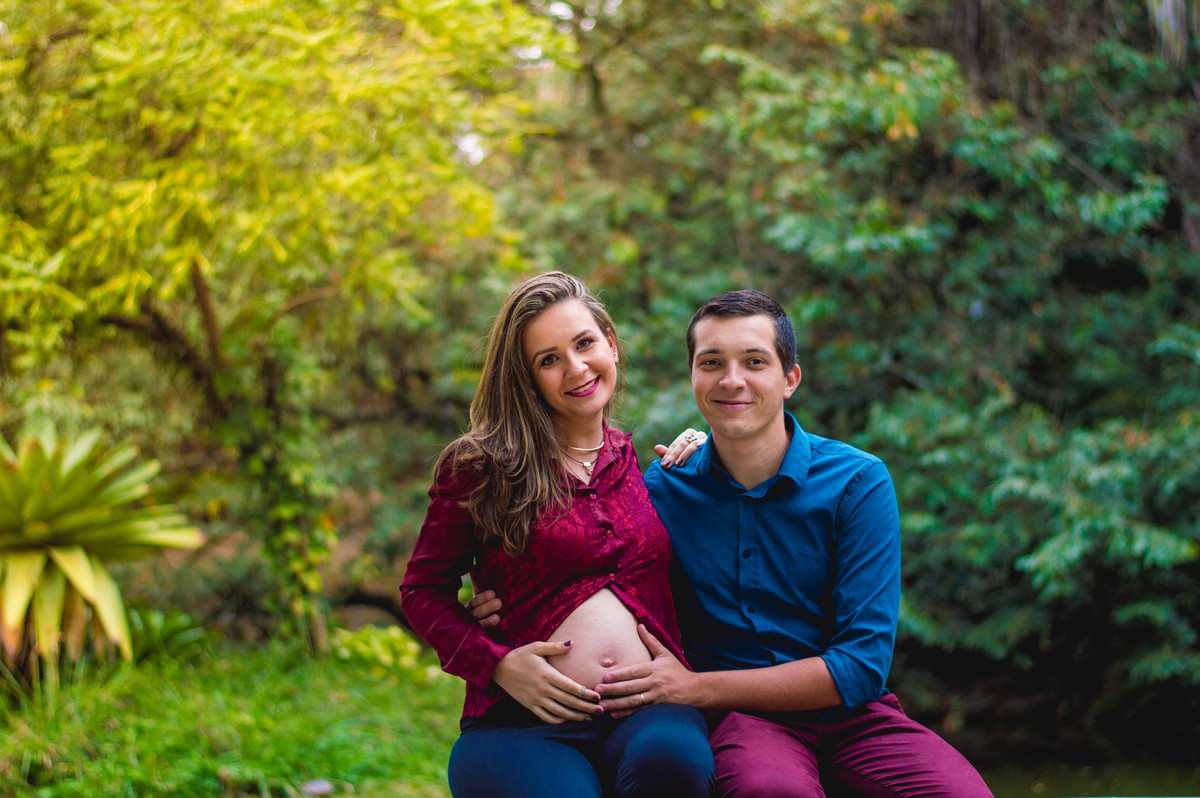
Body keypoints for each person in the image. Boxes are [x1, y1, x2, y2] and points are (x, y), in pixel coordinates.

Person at [589, 289, 994, 797]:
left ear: (790, 379)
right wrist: (501, 616)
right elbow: (585, 561)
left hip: (852, 717)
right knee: (774, 791)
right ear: (693, 377)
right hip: (742, 720)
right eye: (711, 362)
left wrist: (695, 688)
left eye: (754, 362)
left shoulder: (857, 483)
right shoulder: (664, 489)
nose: (731, 380)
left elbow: (862, 666)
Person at [398, 272, 713, 798]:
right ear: (527, 378)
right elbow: (422, 591)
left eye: (585, 344)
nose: (576, 368)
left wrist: (711, 448)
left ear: (610, 344)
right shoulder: (481, 466)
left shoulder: (640, 466)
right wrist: (497, 664)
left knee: (673, 764)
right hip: (522, 721)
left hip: (650, 711)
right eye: (548, 360)